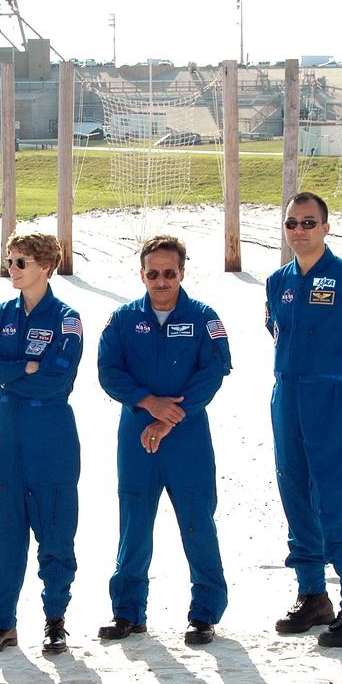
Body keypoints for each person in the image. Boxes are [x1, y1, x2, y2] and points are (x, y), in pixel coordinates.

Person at [264, 192, 342, 648]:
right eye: (292, 223)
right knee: (293, 490)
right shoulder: (278, 282)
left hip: (328, 398)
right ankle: (313, 595)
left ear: (326, 228)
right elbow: (275, 330)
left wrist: (341, 382)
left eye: (308, 223)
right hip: (286, 396)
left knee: (331, 499)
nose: (299, 231)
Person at [96, 235, 231, 645]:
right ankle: (128, 613)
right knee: (134, 523)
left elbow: (214, 371)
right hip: (137, 435)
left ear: (182, 273)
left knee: (197, 521)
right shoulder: (122, 319)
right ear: (142, 274)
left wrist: (173, 415)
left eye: (168, 273)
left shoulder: (205, 318)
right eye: (152, 273)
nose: (160, 281)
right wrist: (148, 403)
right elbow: (108, 370)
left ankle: (204, 614)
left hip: (188, 437)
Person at [0, 233, 82, 656]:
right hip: (5, 426)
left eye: (21, 263)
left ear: (45, 267)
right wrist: (23, 366)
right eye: (10, 261)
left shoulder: (67, 319)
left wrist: (6, 368)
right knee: (6, 531)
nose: (12, 269)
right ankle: (1, 623)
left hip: (50, 428)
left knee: (55, 527)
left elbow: (57, 376)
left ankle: (55, 619)